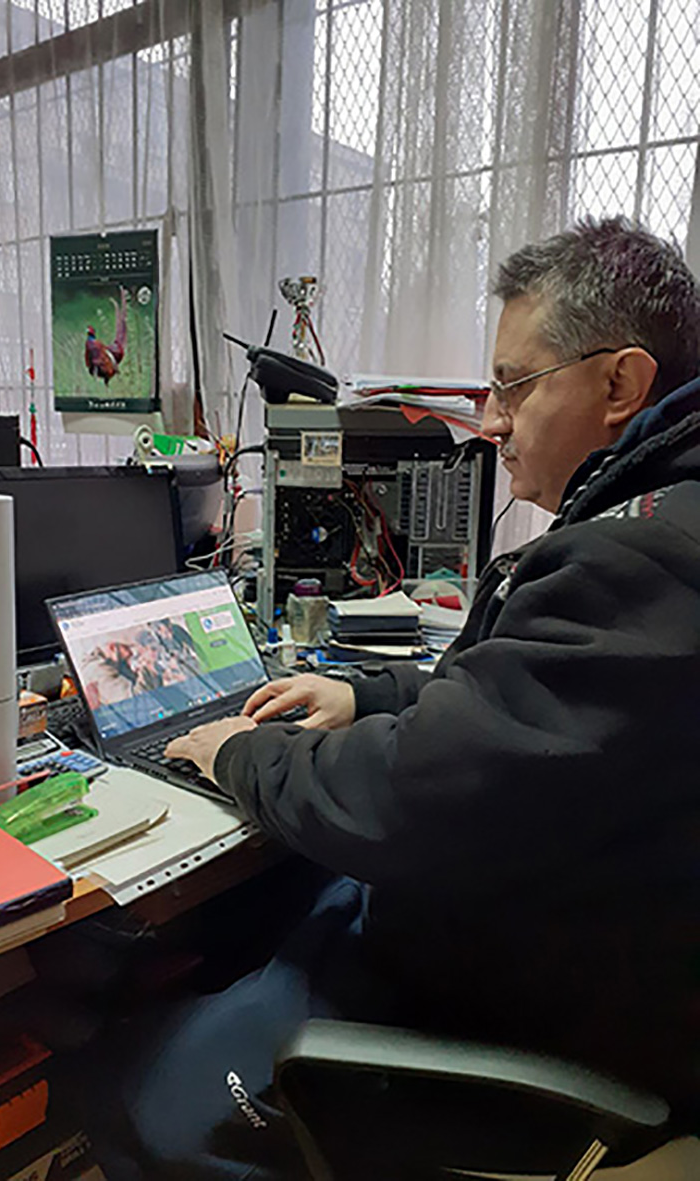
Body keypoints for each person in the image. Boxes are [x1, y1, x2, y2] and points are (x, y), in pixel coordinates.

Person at [91, 218, 700, 1178]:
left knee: (127, 1090)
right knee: (256, 916)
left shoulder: (645, 560)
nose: (492, 422)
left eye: (513, 385)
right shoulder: (657, 523)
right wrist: (367, 692)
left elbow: (398, 800)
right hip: (541, 939)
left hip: (509, 1018)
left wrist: (236, 752)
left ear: (620, 385)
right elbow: (527, 693)